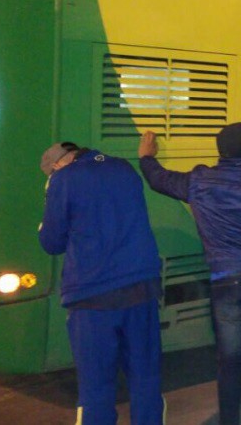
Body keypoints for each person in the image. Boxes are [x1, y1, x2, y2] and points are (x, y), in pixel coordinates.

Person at [139, 123, 241, 425]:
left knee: (230, 359)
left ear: (220, 151)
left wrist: (147, 157)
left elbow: (159, 180)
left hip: (226, 280)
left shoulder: (200, 181)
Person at [38, 142, 164, 425]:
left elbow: (52, 242)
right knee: (145, 377)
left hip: (91, 295)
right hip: (140, 287)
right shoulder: (123, 167)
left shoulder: (63, 180)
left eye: (52, 171)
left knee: (96, 386)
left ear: (60, 163)